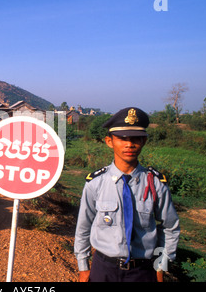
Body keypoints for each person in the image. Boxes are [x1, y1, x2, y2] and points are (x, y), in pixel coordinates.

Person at [74, 107, 180, 282]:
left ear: (144, 141)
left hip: (143, 270)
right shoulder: (96, 183)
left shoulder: (155, 183)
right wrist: (83, 266)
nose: (129, 144)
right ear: (109, 141)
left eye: (136, 138)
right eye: (122, 138)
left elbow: (170, 226)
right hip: (103, 269)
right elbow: (83, 227)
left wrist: (162, 265)